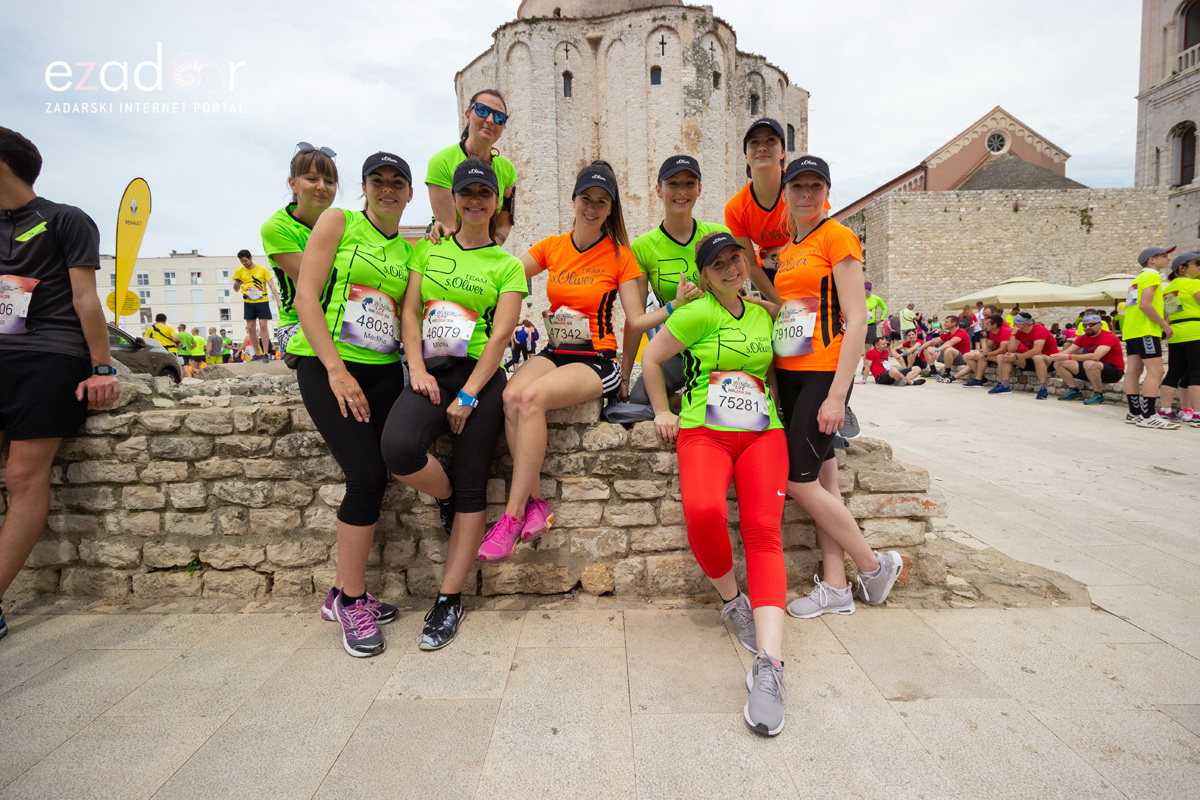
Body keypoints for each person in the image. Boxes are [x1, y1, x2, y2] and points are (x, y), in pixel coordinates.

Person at [641, 232, 788, 736]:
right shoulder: (696, 313)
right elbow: (650, 357)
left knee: (764, 533)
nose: (730, 269)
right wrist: (662, 409)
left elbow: (791, 356)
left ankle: (770, 666)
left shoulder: (764, 315)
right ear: (703, 274)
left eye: (735, 259)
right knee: (704, 512)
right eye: (718, 264)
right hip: (704, 431)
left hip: (763, 435)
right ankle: (731, 600)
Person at [382, 159, 526, 651]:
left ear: (496, 201)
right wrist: (416, 369)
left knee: (473, 486)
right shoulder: (431, 250)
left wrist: (468, 395)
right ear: (455, 198)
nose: (475, 201)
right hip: (430, 371)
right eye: (467, 192)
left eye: (485, 193)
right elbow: (410, 310)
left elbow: (502, 333)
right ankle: (440, 496)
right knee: (399, 449)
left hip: (479, 379)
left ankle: (449, 598)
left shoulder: (506, 265)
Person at [480, 161, 645, 563]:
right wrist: (463, 239)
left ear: (611, 209)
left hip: (597, 360)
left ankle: (513, 515)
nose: (592, 207)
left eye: (602, 202)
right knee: (511, 394)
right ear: (573, 200)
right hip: (556, 350)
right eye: (586, 198)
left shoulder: (621, 256)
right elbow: (506, 272)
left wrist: (626, 370)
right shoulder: (553, 246)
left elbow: (635, 320)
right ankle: (537, 504)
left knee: (532, 398)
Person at [286, 151, 415, 658]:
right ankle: (352, 600)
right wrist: (336, 371)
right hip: (328, 365)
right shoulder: (340, 221)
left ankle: (341, 592)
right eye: (377, 180)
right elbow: (307, 297)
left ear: (408, 193)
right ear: (363, 187)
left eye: (397, 182)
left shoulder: (407, 250)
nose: (387, 189)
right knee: (364, 475)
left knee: (386, 465)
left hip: (382, 368)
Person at [771, 156, 903, 620]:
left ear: (827, 191)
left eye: (815, 186)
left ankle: (873, 564)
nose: (806, 194)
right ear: (786, 192)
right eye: (798, 186)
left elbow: (857, 317)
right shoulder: (790, 248)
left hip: (824, 374)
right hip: (791, 372)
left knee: (796, 480)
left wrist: (835, 395)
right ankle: (835, 585)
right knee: (826, 481)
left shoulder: (837, 235)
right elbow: (796, 310)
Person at [0, 126, 119, 641]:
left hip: (48, 358)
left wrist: (101, 366)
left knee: (23, 478)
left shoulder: (65, 218)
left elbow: (85, 298)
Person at [626, 155, 725, 405]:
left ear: (699, 189)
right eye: (673, 183)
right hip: (679, 345)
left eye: (689, 184)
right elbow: (636, 319)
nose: (681, 192)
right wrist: (624, 377)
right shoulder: (643, 247)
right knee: (640, 398)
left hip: (721, 340)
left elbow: (736, 295)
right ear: (658, 189)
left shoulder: (718, 235)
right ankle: (698, 399)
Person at [261, 141, 339, 358]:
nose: (322, 186)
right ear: (293, 184)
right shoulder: (277, 228)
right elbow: (319, 284)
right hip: (296, 324)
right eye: (312, 179)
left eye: (330, 181)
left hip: (340, 315)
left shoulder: (345, 223)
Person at [426, 89, 516, 246]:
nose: (490, 120)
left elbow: (505, 222)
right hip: (447, 246)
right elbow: (450, 226)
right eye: (482, 110)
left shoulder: (507, 169)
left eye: (499, 117)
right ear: (467, 116)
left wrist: (492, 249)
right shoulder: (442, 161)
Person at [724, 118, 790, 301]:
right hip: (770, 277)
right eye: (754, 143)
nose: (762, 147)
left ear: (783, 151)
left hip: (810, 269)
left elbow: (819, 238)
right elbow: (750, 265)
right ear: (746, 155)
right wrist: (780, 304)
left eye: (771, 140)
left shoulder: (801, 189)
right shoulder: (735, 208)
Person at [1123, 246, 1178, 428]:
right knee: (1156, 371)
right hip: (1146, 329)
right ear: (1152, 260)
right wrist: (1165, 325)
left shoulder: (1138, 279)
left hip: (1132, 330)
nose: (1168, 259)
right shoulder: (1153, 276)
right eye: (1164, 256)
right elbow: (1146, 305)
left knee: (1134, 370)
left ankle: (1134, 411)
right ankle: (1148, 415)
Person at [1158, 252, 1200, 425]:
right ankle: (1197, 414)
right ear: (1183, 268)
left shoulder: (1169, 287)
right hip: (1196, 331)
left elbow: (1172, 313)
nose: (1199, 266)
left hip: (1177, 333)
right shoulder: (1194, 284)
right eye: (1197, 263)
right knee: (1197, 374)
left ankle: (1165, 409)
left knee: (1174, 372)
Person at [1051, 313, 1126, 404]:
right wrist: (1055, 356)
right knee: (1059, 363)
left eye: (1091, 325)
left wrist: (1069, 356)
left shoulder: (1108, 337)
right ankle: (1074, 390)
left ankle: (1098, 394)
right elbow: (1066, 352)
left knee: (1090, 362)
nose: (1088, 327)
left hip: (1113, 371)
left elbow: (1096, 356)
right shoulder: (1083, 338)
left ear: (1100, 325)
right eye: (1085, 325)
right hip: (1092, 369)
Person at [997, 311, 1059, 398]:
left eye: (1015, 323)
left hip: (1050, 359)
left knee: (1037, 357)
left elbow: (1037, 350)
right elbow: (1011, 349)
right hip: (1031, 358)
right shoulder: (1020, 332)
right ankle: (1004, 386)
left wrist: (1016, 356)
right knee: (1004, 357)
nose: (1013, 324)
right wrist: (1013, 334)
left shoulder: (1039, 329)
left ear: (1022, 324)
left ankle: (1043, 389)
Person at [233, 249, 279, 361]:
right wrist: (237, 285)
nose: (244, 263)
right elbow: (235, 289)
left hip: (262, 301)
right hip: (248, 302)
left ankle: (266, 353)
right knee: (250, 327)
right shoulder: (239, 272)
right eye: (242, 261)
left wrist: (278, 300)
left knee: (263, 326)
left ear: (250, 258)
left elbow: (272, 285)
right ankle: (257, 354)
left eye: (245, 261)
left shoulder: (262, 270)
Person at [959, 313, 1011, 387]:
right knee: (967, 356)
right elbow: (990, 347)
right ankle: (979, 379)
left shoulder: (1006, 331)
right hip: (998, 354)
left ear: (994, 325)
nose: (984, 326)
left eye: (987, 324)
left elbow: (1003, 350)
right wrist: (983, 351)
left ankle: (1001, 384)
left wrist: (985, 354)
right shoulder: (993, 332)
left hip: (1008, 356)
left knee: (989, 357)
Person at [923, 315, 971, 382]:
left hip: (962, 358)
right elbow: (932, 342)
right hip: (949, 356)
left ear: (954, 323)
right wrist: (918, 349)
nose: (944, 324)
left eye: (947, 322)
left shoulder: (961, 333)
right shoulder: (948, 334)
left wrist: (937, 350)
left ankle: (947, 373)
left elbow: (950, 343)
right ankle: (933, 372)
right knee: (927, 348)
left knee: (949, 349)